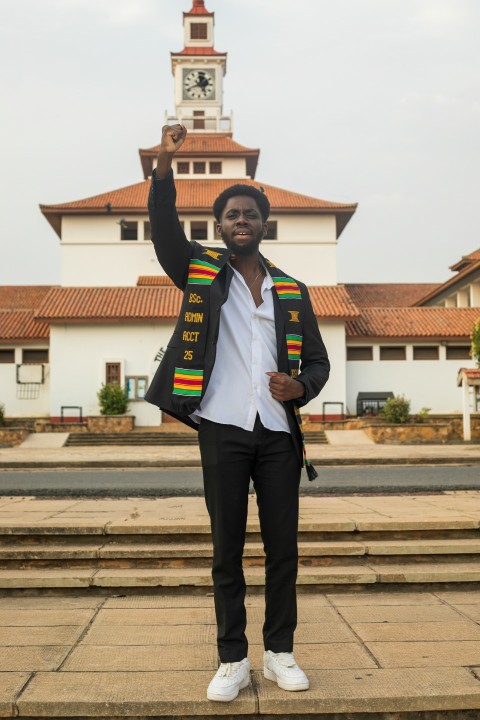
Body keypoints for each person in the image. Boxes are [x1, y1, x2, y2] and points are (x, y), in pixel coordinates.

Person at [146, 124, 330, 702]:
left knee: (283, 550)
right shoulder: (200, 273)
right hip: (222, 428)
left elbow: (320, 364)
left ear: (263, 224)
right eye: (231, 215)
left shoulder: (294, 292)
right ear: (220, 227)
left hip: (278, 436)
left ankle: (279, 653)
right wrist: (163, 166)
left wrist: (299, 386)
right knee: (226, 550)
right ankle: (233, 659)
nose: (241, 220)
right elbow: (164, 233)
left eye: (250, 213)